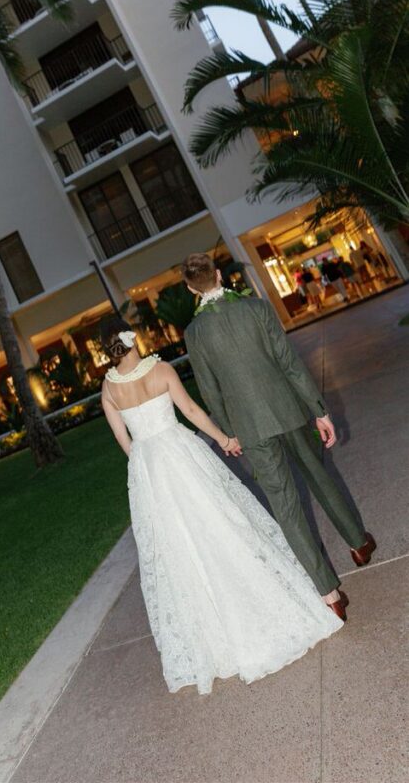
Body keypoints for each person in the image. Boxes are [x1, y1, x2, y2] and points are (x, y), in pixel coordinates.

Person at [100, 315, 343, 697]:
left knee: (178, 546)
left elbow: (121, 436)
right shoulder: (160, 370)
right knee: (220, 524)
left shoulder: (109, 387)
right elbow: (193, 413)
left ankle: (212, 635)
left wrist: (143, 467)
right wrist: (226, 439)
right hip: (180, 454)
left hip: (149, 467)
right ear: (133, 339)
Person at [180, 253, 376, 617]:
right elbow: (288, 360)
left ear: (191, 287)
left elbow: (209, 390)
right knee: (320, 476)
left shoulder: (194, 334)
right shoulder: (256, 307)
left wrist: (229, 433)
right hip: (289, 410)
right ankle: (358, 543)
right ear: (219, 275)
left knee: (285, 508)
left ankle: (329, 596)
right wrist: (318, 409)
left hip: (249, 428)